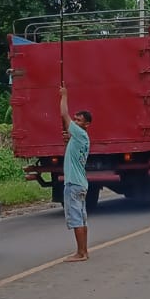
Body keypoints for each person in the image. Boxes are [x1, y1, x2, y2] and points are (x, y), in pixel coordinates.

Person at [58, 85, 91, 262]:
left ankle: (81, 253)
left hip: (73, 183)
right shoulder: (81, 138)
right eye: (76, 120)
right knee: (82, 218)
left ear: (86, 124)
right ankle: (84, 250)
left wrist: (64, 96)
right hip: (81, 183)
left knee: (76, 218)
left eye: (79, 120)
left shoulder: (79, 133)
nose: (76, 122)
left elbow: (64, 115)